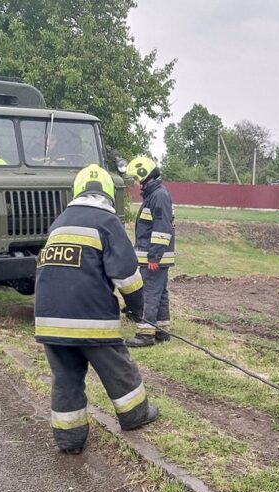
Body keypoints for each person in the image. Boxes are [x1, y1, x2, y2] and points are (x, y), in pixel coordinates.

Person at [34, 164, 159, 454]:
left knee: (65, 379)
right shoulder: (107, 221)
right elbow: (127, 276)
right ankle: (135, 415)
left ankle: (69, 439)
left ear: (77, 191)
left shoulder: (59, 223)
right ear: (108, 194)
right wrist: (136, 309)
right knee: (117, 367)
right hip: (90, 319)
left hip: (49, 320)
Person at [124, 156, 176, 347]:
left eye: (137, 179)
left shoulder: (158, 196)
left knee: (149, 293)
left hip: (154, 257)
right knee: (160, 292)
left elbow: (162, 228)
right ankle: (161, 331)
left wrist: (154, 256)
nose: (136, 184)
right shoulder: (155, 195)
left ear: (144, 176)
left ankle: (145, 335)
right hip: (156, 255)